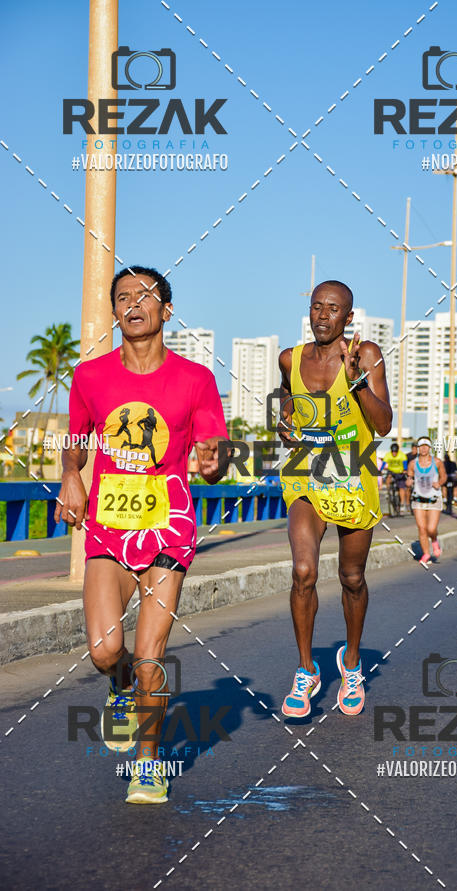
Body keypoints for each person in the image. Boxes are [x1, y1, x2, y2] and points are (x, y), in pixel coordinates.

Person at [55, 266, 229, 804]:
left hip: (168, 529)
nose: (133, 303)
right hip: (109, 530)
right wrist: (70, 474)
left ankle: (148, 763)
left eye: (146, 295)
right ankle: (120, 684)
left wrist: (213, 461)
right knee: (106, 650)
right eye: (123, 297)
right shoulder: (90, 377)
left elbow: (215, 455)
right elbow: (75, 439)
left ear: (166, 311)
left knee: (151, 656)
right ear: (114, 312)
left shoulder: (196, 379)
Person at [277, 280, 392, 719]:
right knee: (303, 571)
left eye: (332, 309)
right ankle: (306, 670)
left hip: (353, 477)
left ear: (349, 316)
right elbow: (286, 402)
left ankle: (352, 662)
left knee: (352, 577)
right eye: (316, 307)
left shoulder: (366, 355)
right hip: (306, 476)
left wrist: (357, 379)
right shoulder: (290, 359)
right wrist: (284, 424)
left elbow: (383, 424)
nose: (322, 316)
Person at [406, 438, 447, 564]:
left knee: (431, 529)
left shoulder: (437, 462)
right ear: (418, 448)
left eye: (426, 446)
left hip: (434, 499)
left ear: (429, 448)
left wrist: (439, 483)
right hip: (418, 499)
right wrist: (408, 482)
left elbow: (444, 476)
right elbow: (409, 477)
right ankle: (426, 553)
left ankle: (434, 540)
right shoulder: (412, 463)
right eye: (421, 446)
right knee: (422, 528)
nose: (423, 448)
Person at [383, 442, 408, 514]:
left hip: (400, 472)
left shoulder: (402, 455)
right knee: (388, 476)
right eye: (393, 452)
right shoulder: (388, 455)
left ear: (397, 451)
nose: (394, 453)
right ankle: (388, 491)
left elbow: (405, 464)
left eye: (395, 452)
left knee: (401, 487)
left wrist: (405, 470)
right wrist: (380, 470)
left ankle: (402, 504)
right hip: (392, 471)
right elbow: (383, 463)